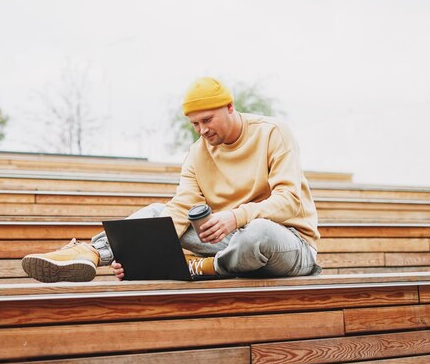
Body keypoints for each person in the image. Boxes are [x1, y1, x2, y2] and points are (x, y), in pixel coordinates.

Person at [22, 77, 321, 282]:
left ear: (230, 107)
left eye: (207, 120)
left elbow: (289, 201)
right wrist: (139, 253)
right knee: (156, 212)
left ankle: (201, 268)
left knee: (258, 232)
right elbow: (180, 210)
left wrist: (236, 216)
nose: (202, 130)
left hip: (288, 245)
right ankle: (90, 252)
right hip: (232, 244)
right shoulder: (196, 154)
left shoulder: (272, 133)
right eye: (194, 124)